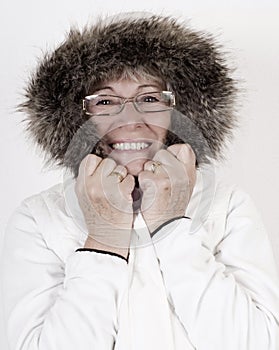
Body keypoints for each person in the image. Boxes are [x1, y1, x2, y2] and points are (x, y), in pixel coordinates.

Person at [1, 13, 279, 350]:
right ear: (78, 119)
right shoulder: (39, 218)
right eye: (105, 101)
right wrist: (103, 238)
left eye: (149, 99)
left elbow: (257, 344)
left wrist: (172, 224)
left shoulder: (228, 207)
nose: (130, 120)